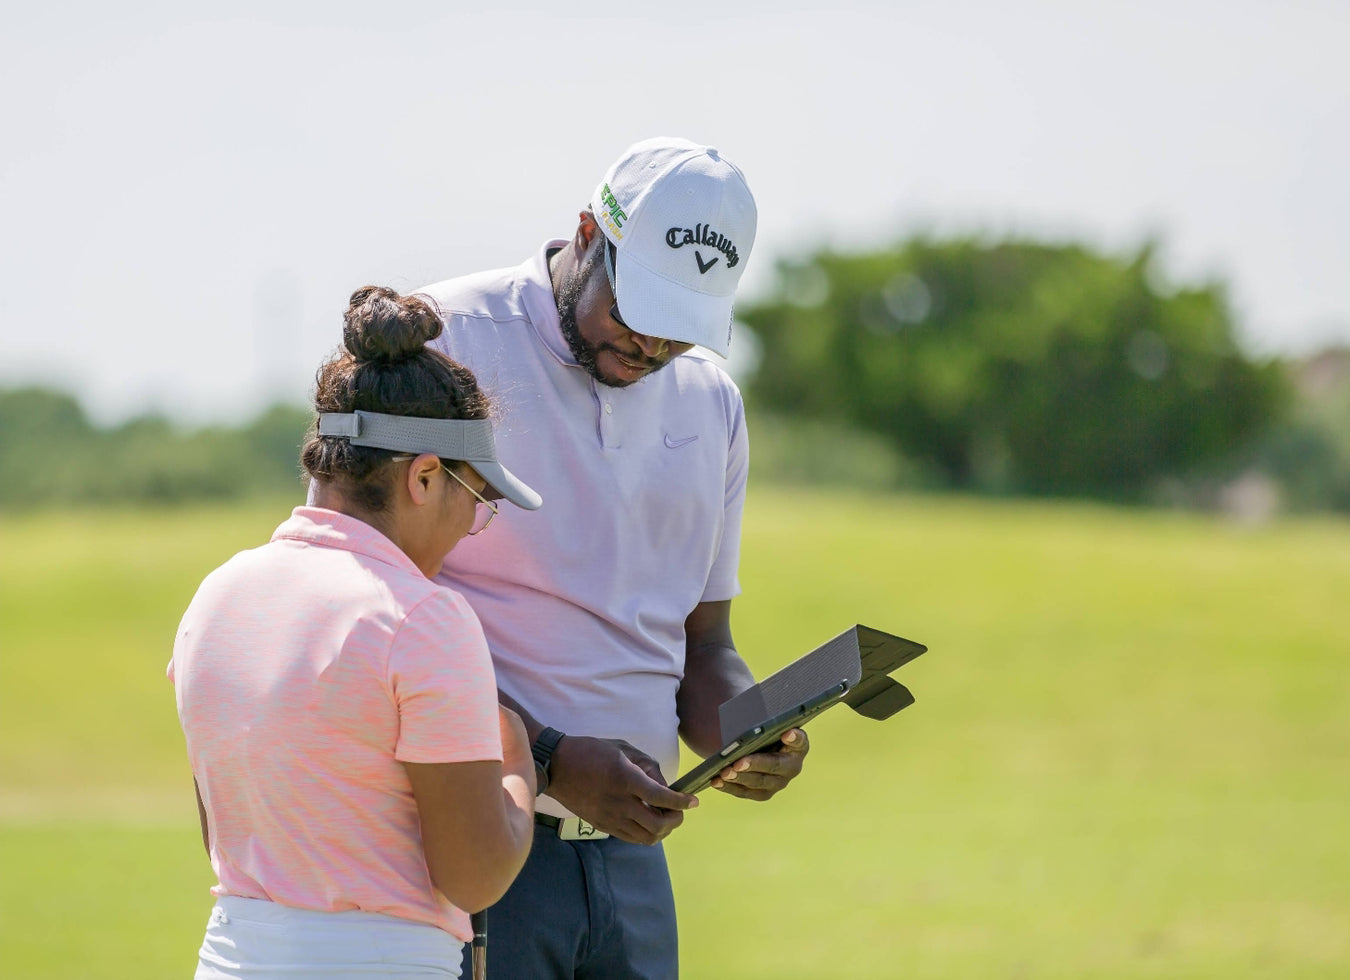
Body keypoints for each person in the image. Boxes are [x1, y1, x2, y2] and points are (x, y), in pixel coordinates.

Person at [415, 137, 810, 979]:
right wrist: (549, 756)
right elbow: (369, 618)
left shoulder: (711, 402)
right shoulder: (448, 340)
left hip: (633, 867)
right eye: (637, 311)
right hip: (471, 847)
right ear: (590, 233)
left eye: (682, 329)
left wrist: (748, 731)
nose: (652, 348)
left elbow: (704, 646)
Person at [169, 286, 543, 979]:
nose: (474, 524)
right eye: (478, 499)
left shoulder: (216, 596)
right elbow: (474, 875)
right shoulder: (423, 618)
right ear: (424, 477)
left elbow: (229, 834)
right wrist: (519, 770)